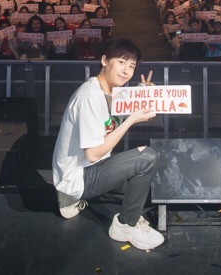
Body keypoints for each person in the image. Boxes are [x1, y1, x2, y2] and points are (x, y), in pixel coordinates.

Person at [52, 38, 165, 251]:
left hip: (91, 168)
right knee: (147, 158)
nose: (126, 71)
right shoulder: (90, 96)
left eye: (131, 66)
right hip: (81, 174)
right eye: (121, 62)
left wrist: (142, 93)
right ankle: (126, 225)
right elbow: (93, 154)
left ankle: (70, 197)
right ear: (104, 60)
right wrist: (131, 120)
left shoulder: (111, 92)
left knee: (149, 187)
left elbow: (120, 109)